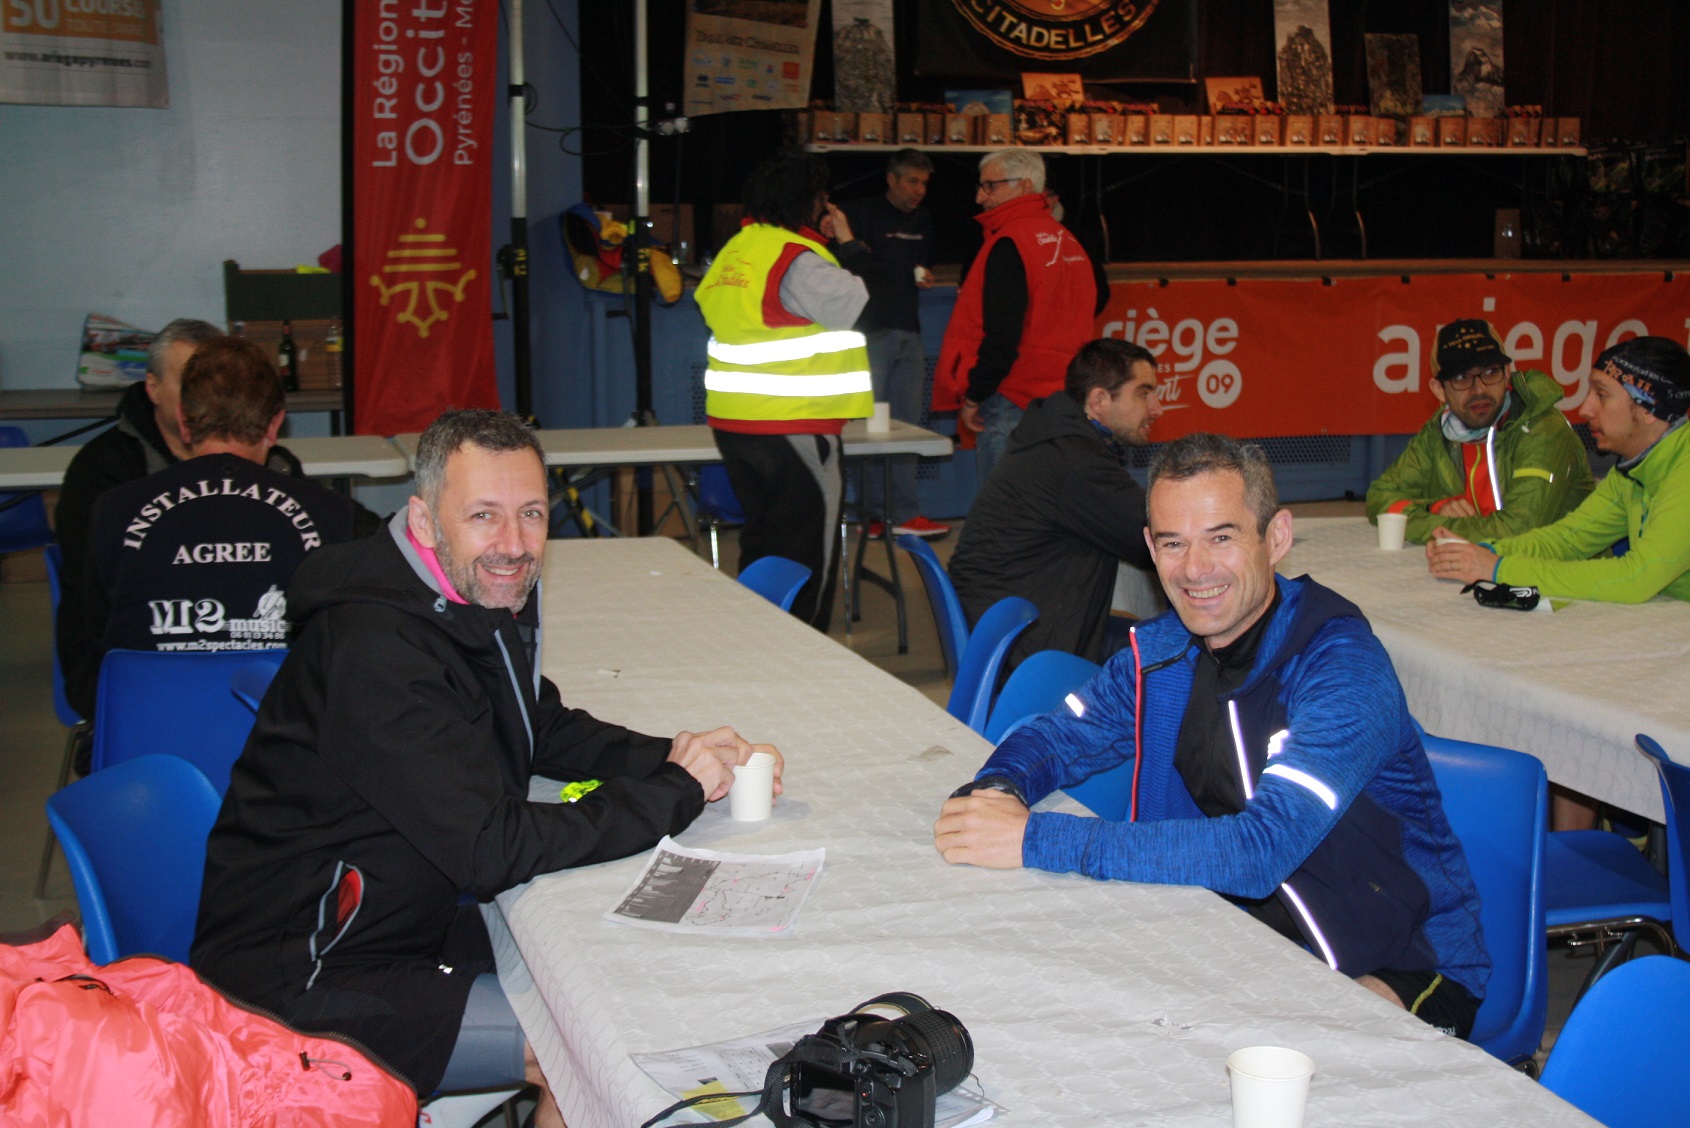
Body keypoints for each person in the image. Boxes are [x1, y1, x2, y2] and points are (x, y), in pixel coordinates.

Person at [192, 410, 782, 1124]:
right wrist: (674, 792)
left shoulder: (466, 592)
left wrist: (672, 756)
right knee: (596, 1051)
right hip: (304, 969)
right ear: (422, 518)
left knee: (622, 968)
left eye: (531, 514)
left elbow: (538, 723)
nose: (513, 544)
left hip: (399, 912)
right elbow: (491, 849)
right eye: (483, 516)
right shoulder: (374, 649)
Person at [934, 432, 1489, 1038]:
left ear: (1275, 537)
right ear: (1149, 547)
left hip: (1396, 956)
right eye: (1173, 544)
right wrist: (996, 791)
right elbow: (1060, 737)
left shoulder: (1342, 671)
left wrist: (1036, 838)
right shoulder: (1165, 652)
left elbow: (1259, 853)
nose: (1195, 570)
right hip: (1226, 932)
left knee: (1310, 1063)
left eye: (1220, 538)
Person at [56, 336, 363, 718]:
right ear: (275, 424)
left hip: (147, 745)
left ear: (184, 421)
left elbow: (86, 641)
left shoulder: (112, 510)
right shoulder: (332, 514)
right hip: (285, 749)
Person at [696, 149, 873, 631]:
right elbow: (862, 304)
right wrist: (849, 244)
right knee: (806, 554)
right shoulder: (797, 257)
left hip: (737, 425)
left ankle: (757, 642)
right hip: (795, 421)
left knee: (763, 542)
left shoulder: (737, 250)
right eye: (821, 197)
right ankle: (804, 655)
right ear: (807, 202)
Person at [948, 339, 1163, 672]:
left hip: (1003, 632)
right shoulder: (1076, 461)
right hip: (1027, 655)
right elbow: (1158, 539)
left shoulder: (1056, 438)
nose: (1156, 408)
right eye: (1143, 393)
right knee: (1177, 657)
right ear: (1099, 400)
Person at [1427, 335, 1690, 604]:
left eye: (1601, 394)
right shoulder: (1637, 467)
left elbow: (1636, 579)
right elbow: (1568, 539)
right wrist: (1483, 552)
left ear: (1649, 408)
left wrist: (1497, 568)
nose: (1585, 408)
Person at [931, 148, 1103, 477]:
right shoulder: (1068, 241)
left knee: (1005, 517)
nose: (980, 197)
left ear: (1024, 186)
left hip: (1014, 397)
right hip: (1061, 397)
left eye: (990, 186)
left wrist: (975, 394)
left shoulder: (1011, 243)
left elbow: (1002, 336)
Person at [1367, 318, 1593, 543]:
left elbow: (1519, 530)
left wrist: (1437, 528)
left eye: (1490, 372)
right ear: (1439, 390)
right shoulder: (1438, 433)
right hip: (1487, 569)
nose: (1479, 389)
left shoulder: (1543, 429)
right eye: (1461, 378)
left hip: (1563, 572)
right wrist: (1433, 506)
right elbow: (1380, 499)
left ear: (1506, 373)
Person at [834, 148, 949, 539]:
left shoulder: (924, 219)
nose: (919, 191)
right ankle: (869, 516)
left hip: (909, 331)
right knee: (868, 428)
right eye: (912, 181)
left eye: (925, 184)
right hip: (868, 334)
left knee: (905, 427)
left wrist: (926, 275)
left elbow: (923, 263)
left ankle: (904, 513)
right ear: (892, 179)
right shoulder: (860, 214)